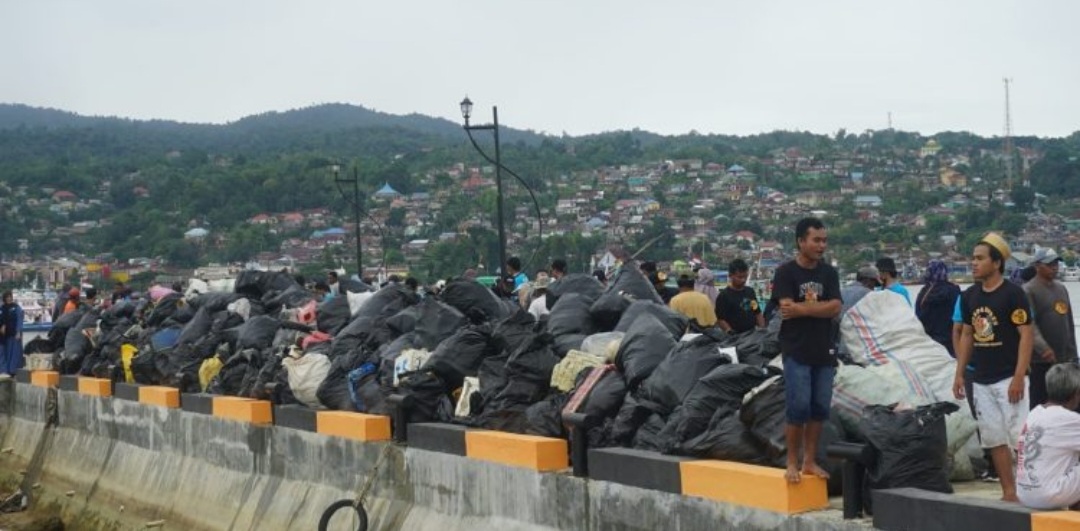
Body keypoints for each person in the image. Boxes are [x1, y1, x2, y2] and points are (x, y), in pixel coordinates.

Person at [953, 232, 1033, 502]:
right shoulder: (969, 297)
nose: (973, 263)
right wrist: (960, 373)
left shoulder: (1014, 294)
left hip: (1009, 375)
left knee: (1018, 437)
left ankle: (1030, 489)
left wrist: (1020, 376)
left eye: (979, 259)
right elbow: (967, 335)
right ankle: (1009, 491)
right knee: (993, 439)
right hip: (982, 379)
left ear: (996, 263)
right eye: (972, 258)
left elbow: (1026, 335)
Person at [773, 217, 842, 484]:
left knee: (819, 407)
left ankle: (809, 461)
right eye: (816, 240)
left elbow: (835, 307)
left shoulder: (829, 273)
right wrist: (818, 308)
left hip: (824, 348)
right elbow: (786, 308)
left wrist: (803, 309)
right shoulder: (786, 273)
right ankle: (791, 461)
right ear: (801, 241)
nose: (821, 245)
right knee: (798, 406)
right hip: (796, 349)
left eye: (824, 240)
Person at [1016, 363, 1080, 510]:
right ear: (1076, 393)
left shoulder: (1035, 413)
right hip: (1048, 496)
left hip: (1025, 494)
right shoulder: (1070, 419)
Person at [1024, 248, 1078, 408]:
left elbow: (1068, 323)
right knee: (1040, 402)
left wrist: (1073, 354)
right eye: (1049, 264)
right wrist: (1044, 349)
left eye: (1056, 263)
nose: (1054, 267)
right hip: (1040, 361)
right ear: (1037, 266)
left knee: (1069, 402)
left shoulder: (1061, 288)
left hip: (1063, 359)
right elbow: (1029, 324)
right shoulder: (1028, 290)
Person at [916, 259, 963, 356]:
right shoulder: (953, 290)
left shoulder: (924, 292)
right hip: (950, 342)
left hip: (928, 343)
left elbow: (917, 317)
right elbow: (960, 317)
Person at [715, 259, 764, 334]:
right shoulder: (724, 296)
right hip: (734, 337)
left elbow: (757, 312)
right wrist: (729, 331)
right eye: (740, 277)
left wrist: (762, 330)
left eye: (745, 277)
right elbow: (721, 319)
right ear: (730, 276)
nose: (743, 280)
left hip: (752, 335)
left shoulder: (750, 292)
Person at [0, 291, 24, 377]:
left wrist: (18, 332)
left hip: (14, 334)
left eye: (10, 296)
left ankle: (14, 370)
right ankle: (6, 371)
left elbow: (19, 320)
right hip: (4, 336)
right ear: (4, 298)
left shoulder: (16, 308)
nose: (9, 298)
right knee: (5, 353)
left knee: (15, 353)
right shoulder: (2, 308)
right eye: (7, 297)